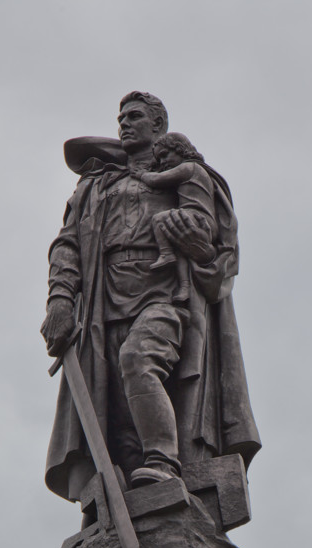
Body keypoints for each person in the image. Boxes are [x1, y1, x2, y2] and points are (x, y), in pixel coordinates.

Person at [41, 91, 260, 495]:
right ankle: (134, 501)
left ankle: (162, 461)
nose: (124, 123)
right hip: (102, 305)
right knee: (117, 413)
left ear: (158, 125)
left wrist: (200, 248)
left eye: (135, 116)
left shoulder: (188, 173)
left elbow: (219, 246)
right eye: (120, 117)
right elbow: (67, 244)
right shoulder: (95, 185)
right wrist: (60, 299)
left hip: (165, 294)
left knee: (139, 359)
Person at [133, 132, 216, 304]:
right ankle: (184, 288)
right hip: (202, 221)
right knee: (181, 247)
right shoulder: (200, 170)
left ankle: (166, 254)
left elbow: (157, 180)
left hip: (195, 217)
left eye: (164, 155)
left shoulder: (188, 168)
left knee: (159, 220)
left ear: (180, 149)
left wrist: (141, 175)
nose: (162, 163)